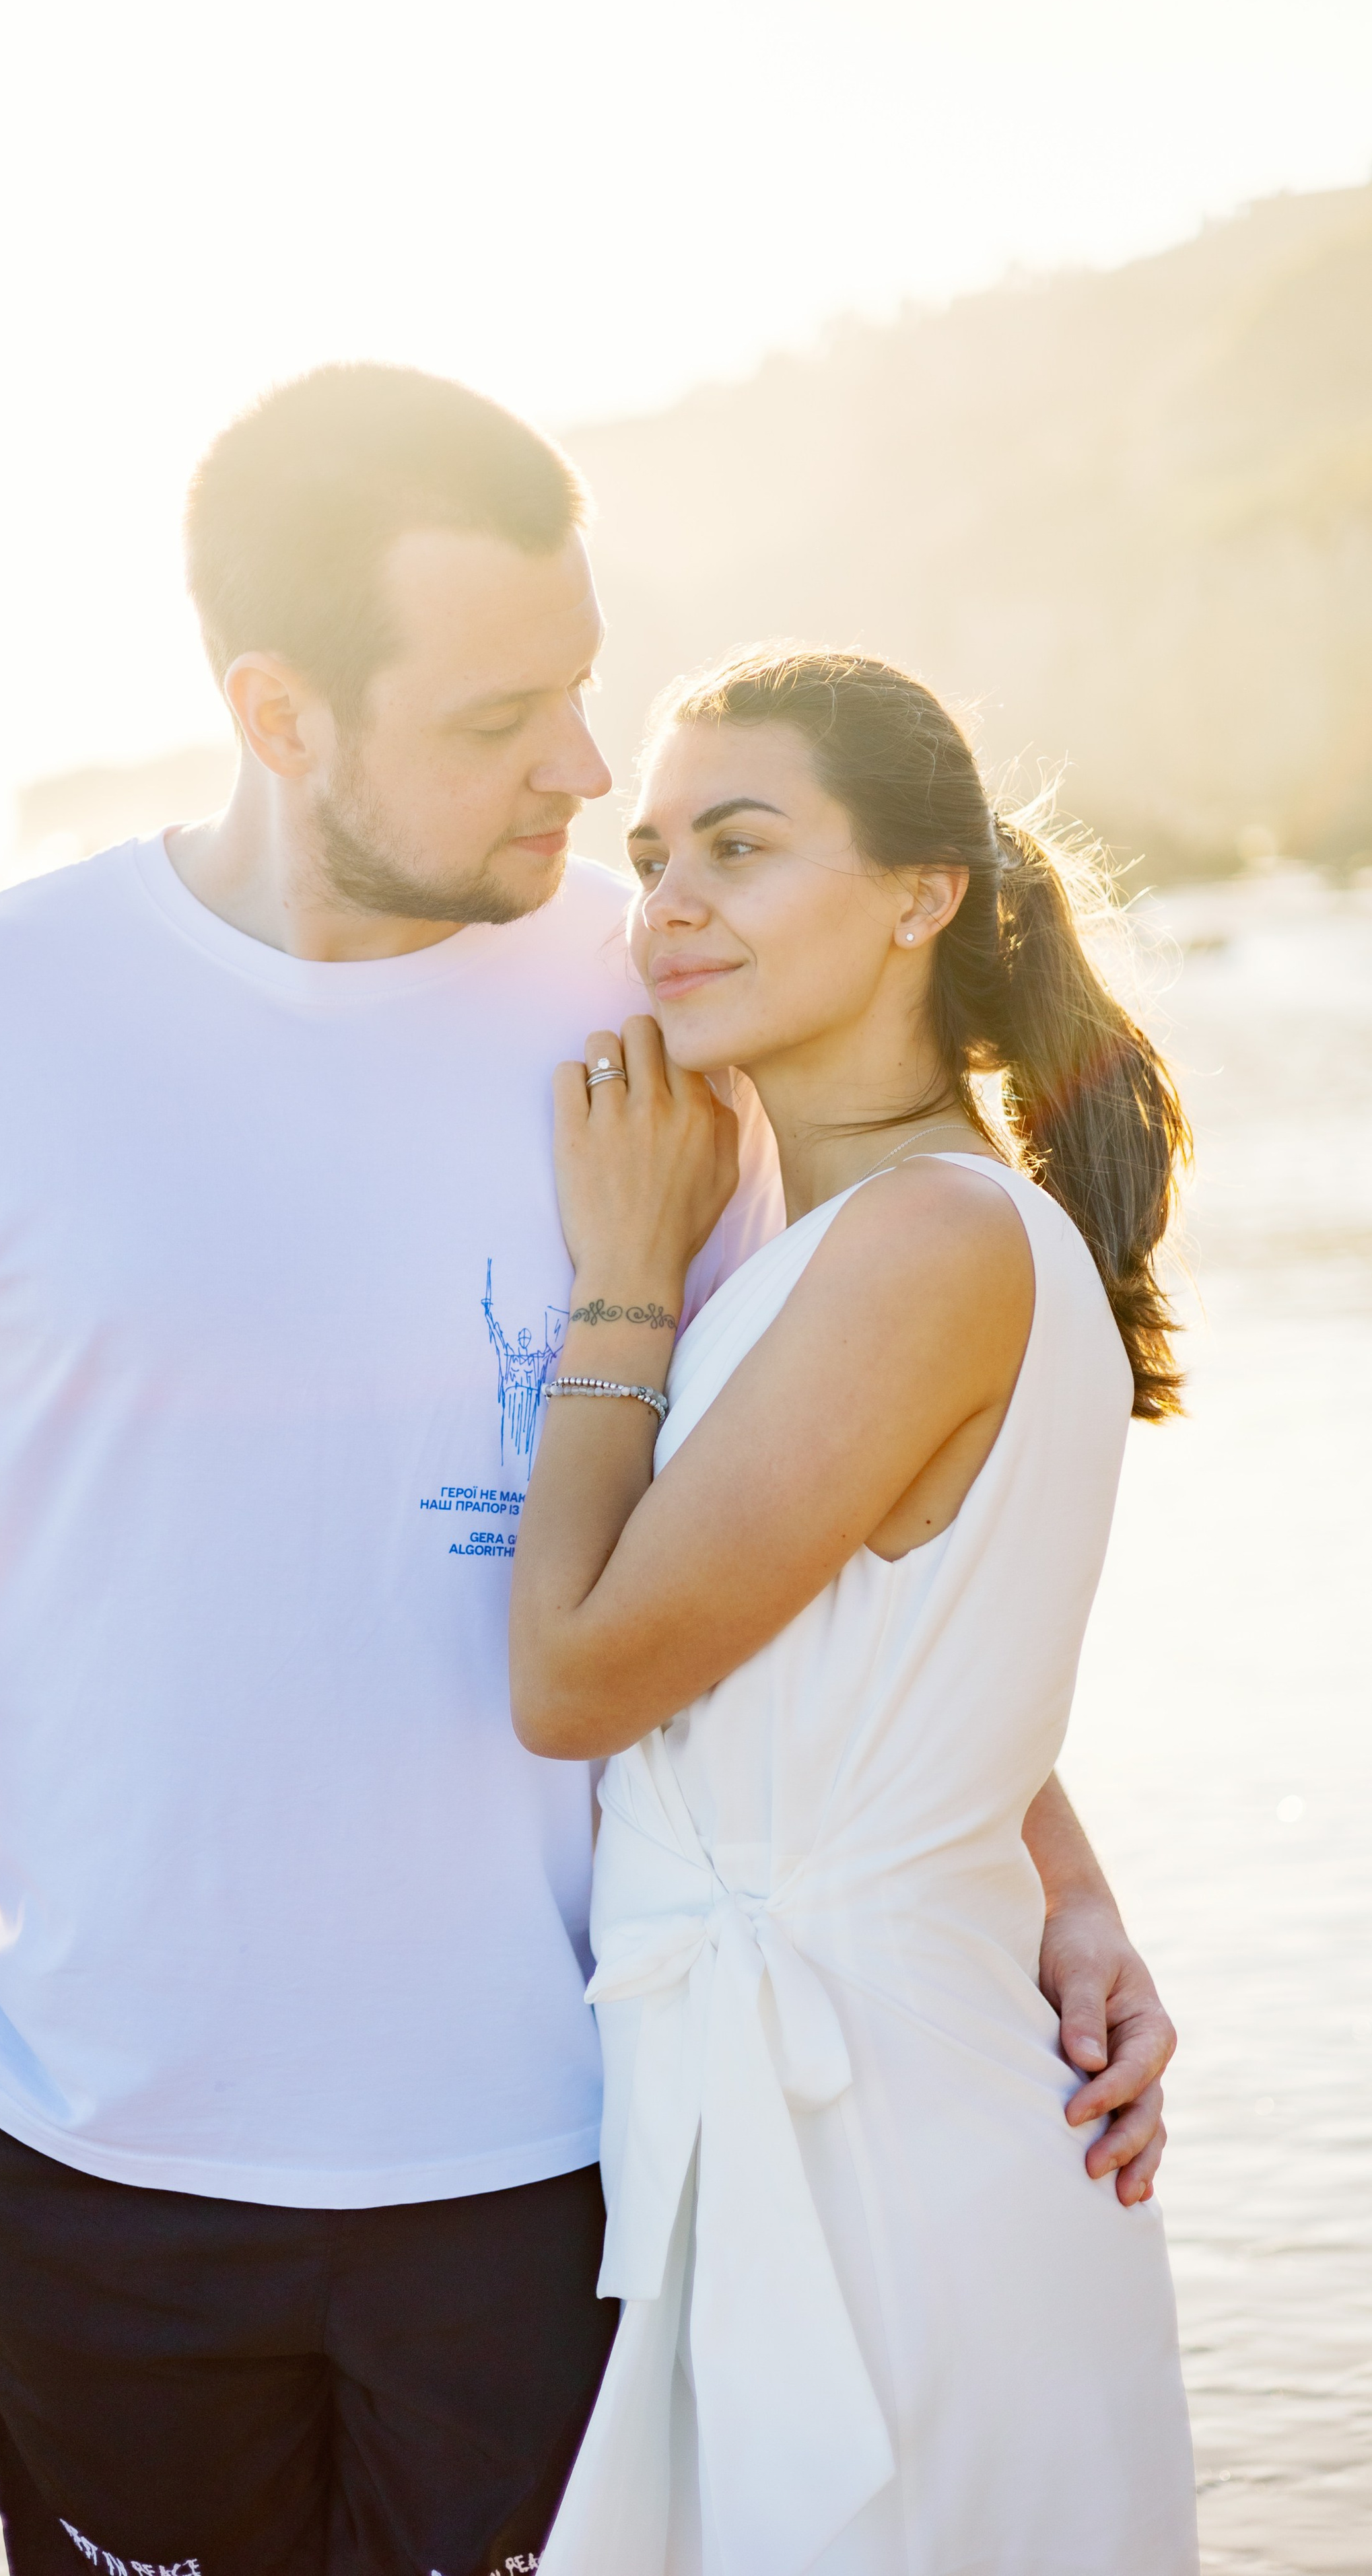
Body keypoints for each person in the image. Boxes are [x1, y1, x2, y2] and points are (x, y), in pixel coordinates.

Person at [0, 372, 1175, 2576]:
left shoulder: (678, 1007)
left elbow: (835, 1518)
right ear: (279, 711)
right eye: (504, 720)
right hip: (95, 2175)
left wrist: (1046, 1864)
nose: (586, 775)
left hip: (574, 2159)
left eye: (585, 692)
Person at [510, 647, 1199, 2575]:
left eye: (741, 845)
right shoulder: (857, 1236)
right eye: (650, 856)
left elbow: (572, 1679)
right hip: (827, 2087)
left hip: (883, 2143)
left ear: (925, 892)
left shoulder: (924, 1240)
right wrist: (1065, 1872)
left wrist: (622, 1276)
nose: (667, 905)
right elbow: (902, 1653)